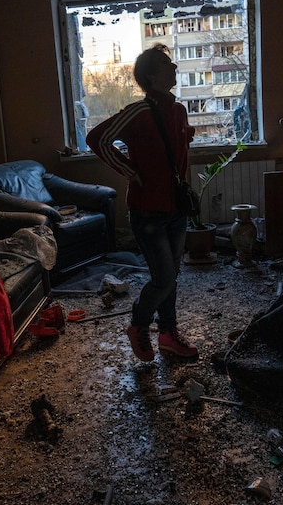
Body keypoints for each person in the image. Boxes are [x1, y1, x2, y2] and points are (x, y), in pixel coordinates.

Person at [86, 44, 198, 361]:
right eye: (167, 63)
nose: (174, 66)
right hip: (147, 210)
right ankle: (138, 325)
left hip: (176, 209)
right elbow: (97, 139)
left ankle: (167, 333)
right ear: (151, 74)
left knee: (170, 276)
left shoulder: (178, 111)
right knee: (163, 277)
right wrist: (128, 170)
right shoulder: (140, 112)